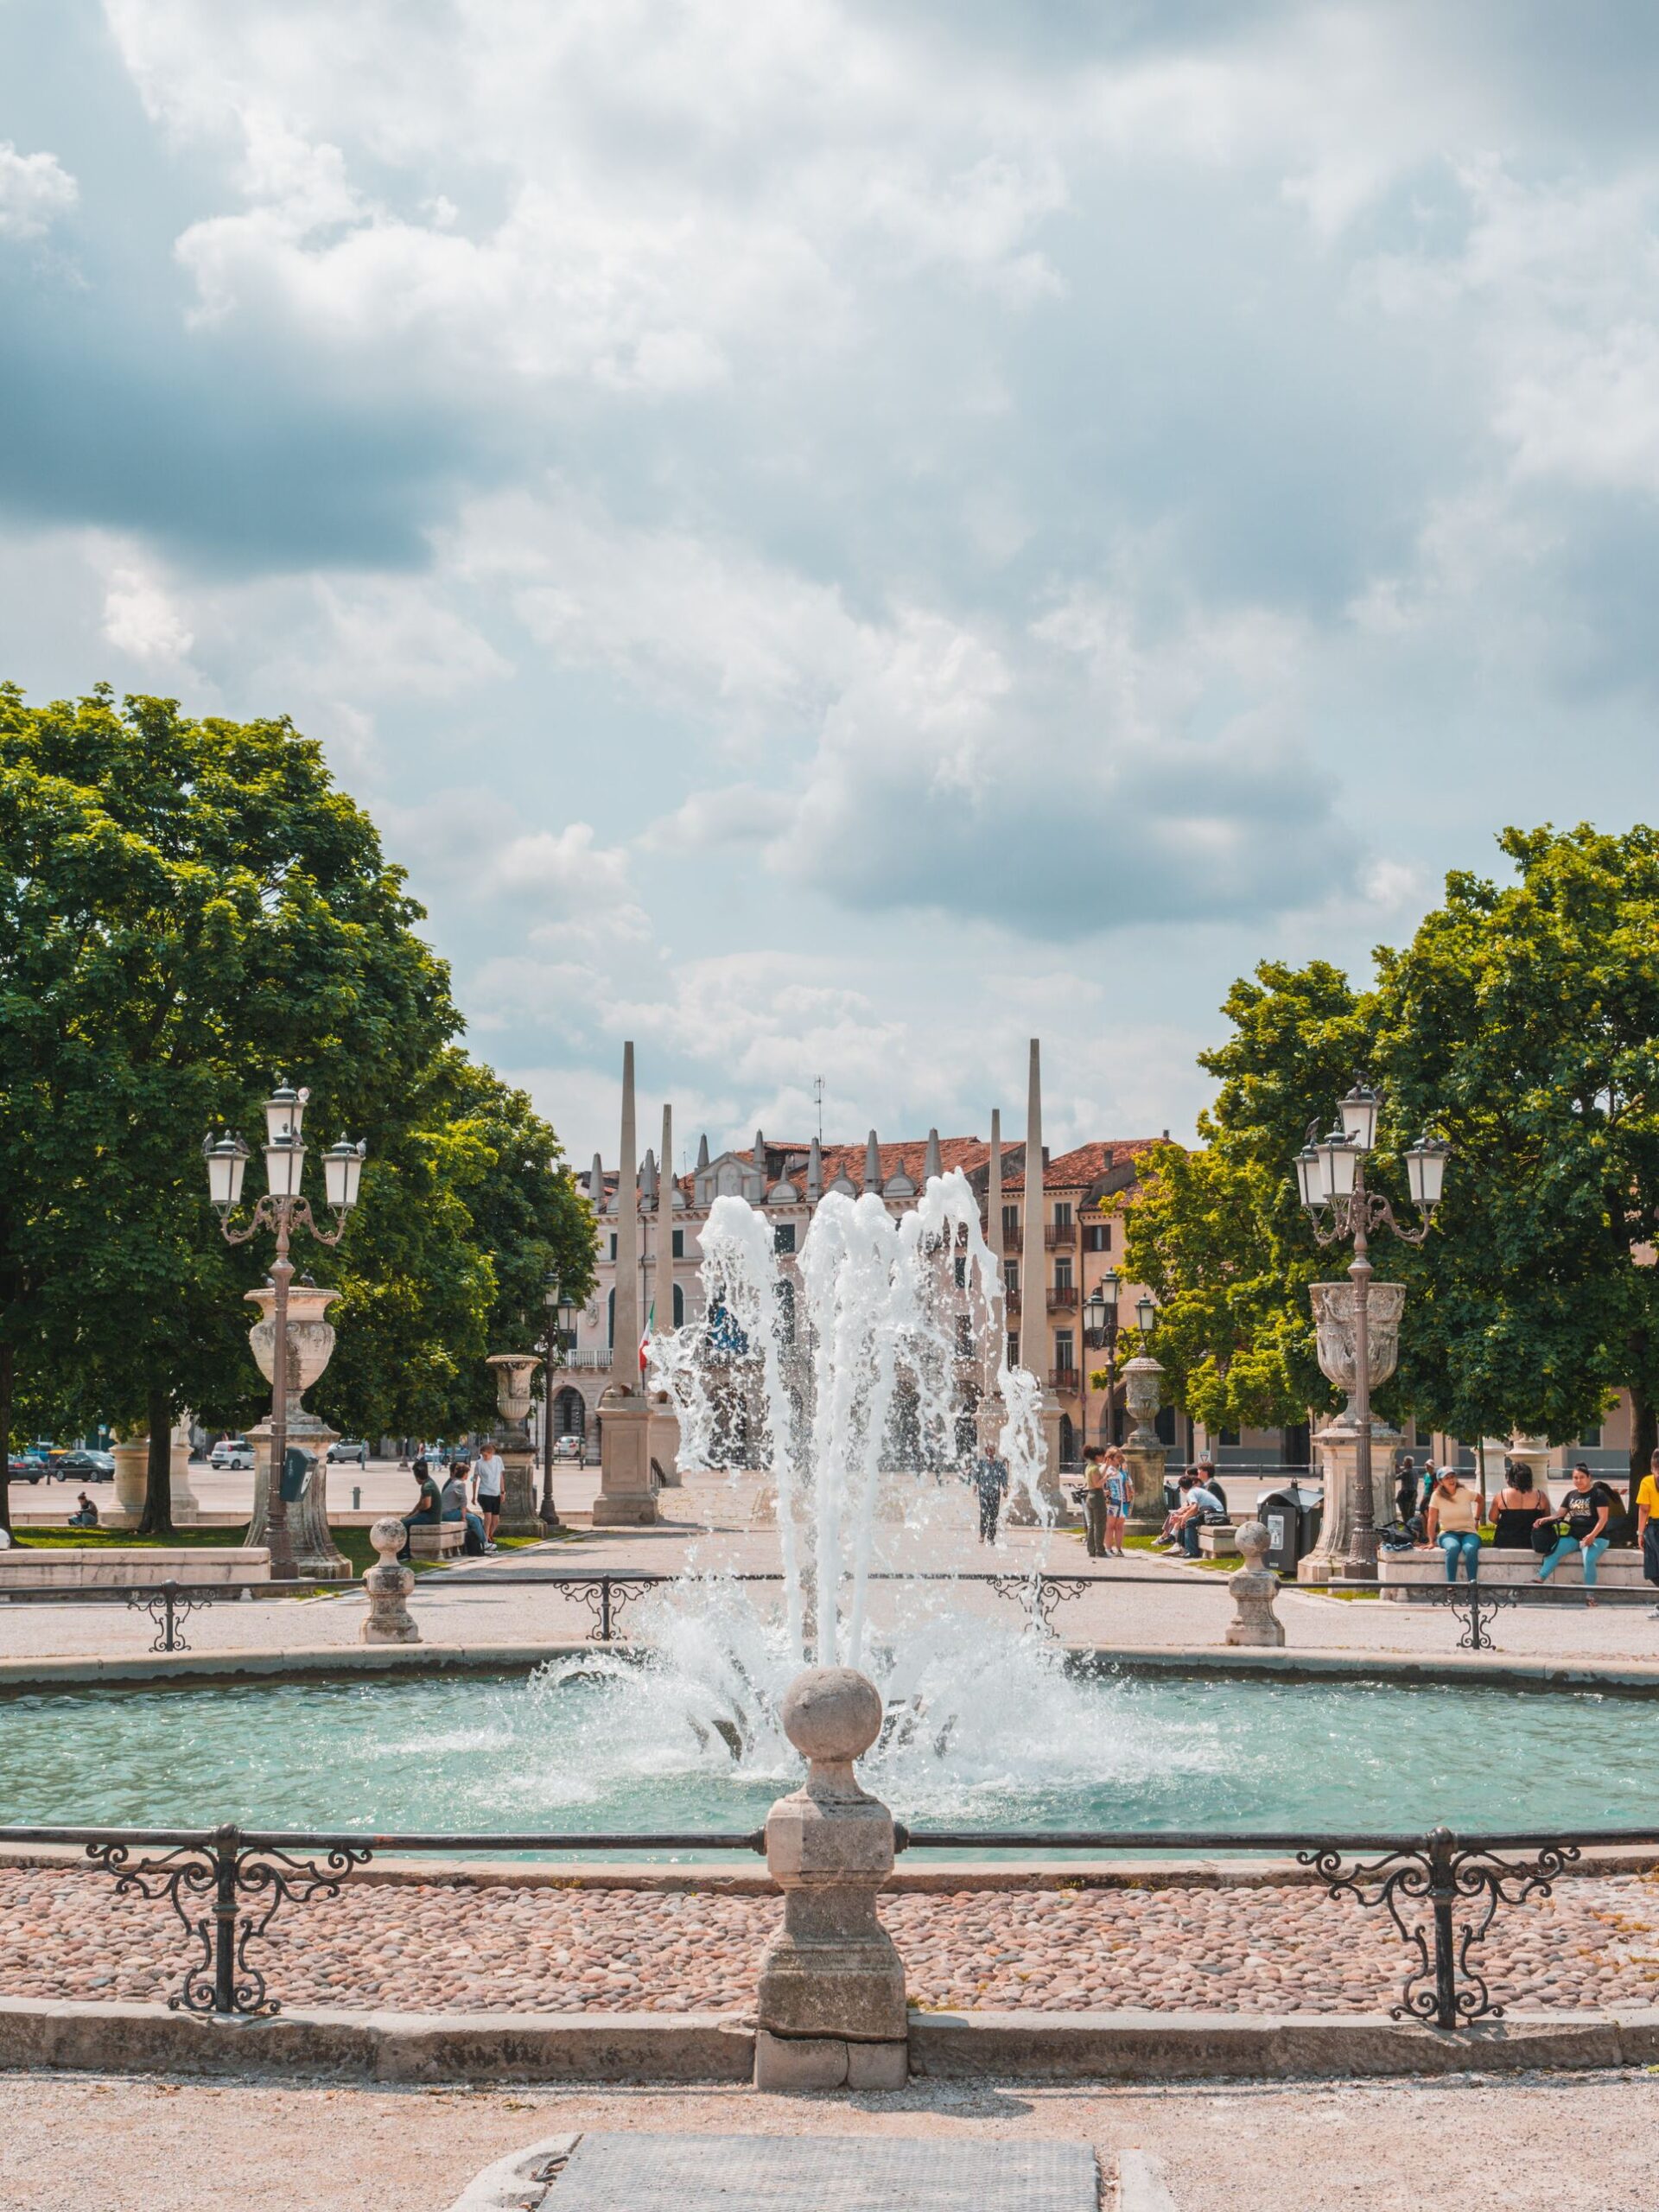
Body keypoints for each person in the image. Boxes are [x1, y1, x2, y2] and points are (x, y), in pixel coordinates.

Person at [1538, 1462, 1618, 1601]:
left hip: (1597, 1537)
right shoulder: (1571, 1495)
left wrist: (1592, 1536)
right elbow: (1560, 1515)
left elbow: (1603, 1518)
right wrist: (1544, 1519)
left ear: (1589, 1478)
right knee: (1553, 1550)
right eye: (1575, 1478)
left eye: (1581, 1477)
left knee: (1588, 1559)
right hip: (1574, 1537)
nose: (1578, 1480)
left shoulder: (1598, 1494)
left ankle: (1590, 1595)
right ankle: (1539, 1579)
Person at [1423, 1467, 1482, 1582]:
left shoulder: (1465, 1492)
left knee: (1470, 1549)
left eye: (1452, 1476)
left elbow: (1481, 1500)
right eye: (1447, 1478)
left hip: (1469, 1532)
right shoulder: (1436, 1496)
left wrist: (1477, 1519)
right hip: (1448, 1533)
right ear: (1441, 1482)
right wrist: (1431, 1541)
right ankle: (1451, 1587)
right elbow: (1432, 1519)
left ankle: (1473, 1586)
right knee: (1453, 1547)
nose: (1451, 1480)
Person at [1490, 1463, 1554, 1552]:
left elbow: (1492, 1518)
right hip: (1532, 1541)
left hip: (1505, 1540)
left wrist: (1507, 1524)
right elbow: (1546, 1518)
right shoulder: (1540, 1495)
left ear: (1511, 1477)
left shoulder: (1501, 1495)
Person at [1176, 1470, 1229, 1558]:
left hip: (1214, 1515)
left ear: (1182, 1488)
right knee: (1187, 1520)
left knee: (1189, 1522)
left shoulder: (1191, 1493)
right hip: (1215, 1512)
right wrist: (1182, 1516)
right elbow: (1194, 1508)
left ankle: (1191, 1551)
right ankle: (1184, 1547)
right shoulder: (1196, 1490)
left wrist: (1184, 1518)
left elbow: (1195, 1507)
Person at [400, 1457, 443, 1560]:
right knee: (404, 1521)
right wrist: (411, 1514)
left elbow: (426, 1505)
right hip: (430, 1516)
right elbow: (420, 1503)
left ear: (417, 1476)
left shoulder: (427, 1486)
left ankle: (405, 1553)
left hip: (430, 1517)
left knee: (404, 1525)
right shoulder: (429, 1482)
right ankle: (402, 1551)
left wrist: (416, 1513)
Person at [971, 1445, 1009, 1545]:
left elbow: (1003, 1477)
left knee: (993, 1515)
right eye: (988, 1450)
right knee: (984, 1513)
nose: (990, 1452)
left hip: (995, 1493)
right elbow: (976, 1474)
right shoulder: (982, 1463)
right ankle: (982, 1533)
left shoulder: (999, 1464)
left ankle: (991, 1537)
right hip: (983, 1493)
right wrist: (974, 1485)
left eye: (992, 1450)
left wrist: (1005, 1488)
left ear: (994, 1451)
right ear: (986, 1451)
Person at [1637, 1447, 1659, 1621]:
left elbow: (1644, 1509)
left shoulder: (1647, 1482)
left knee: (1653, 1570)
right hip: (1653, 1528)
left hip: (1653, 1528)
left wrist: (1640, 1533)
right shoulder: (1647, 1482)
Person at [474, 1440, 505, 1552]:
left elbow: (501, 1476)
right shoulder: (479, 1463)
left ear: (491, 1453)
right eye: (482, 1455)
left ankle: (489, 1536)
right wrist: (474, 1495)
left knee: (496, 1520)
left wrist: (503, 1492)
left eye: (486, 1455)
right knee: (488, 1518)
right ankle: (485, 1542)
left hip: (495, 1493)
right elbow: (475, 1478)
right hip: (484, 1492)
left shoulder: (498, 1460)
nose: (484, 1457)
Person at [1103, 1447, 1132, 1559]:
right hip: (1112, 1501)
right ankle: (1108, 1548)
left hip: (1124, 1501)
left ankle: (1119, 1549)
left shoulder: (1122, 1470)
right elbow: (1099, 1482)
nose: (1120, 1459)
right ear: (1111, 1458)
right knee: (1110, 1525)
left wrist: (1130, 1492)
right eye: (1117, 1457)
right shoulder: (1106, 1469)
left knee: (1120, 1526)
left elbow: (1128, 1482)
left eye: (1121, 1457)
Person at [1082, 1446, 1108, 1559]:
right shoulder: (1095, 1468)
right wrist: (1107, 1477)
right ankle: (1100, 1550)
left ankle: (1091, 1549)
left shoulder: (1088, 1467)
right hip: (1097, 1496)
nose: (1103, 1458)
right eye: (1102, 1456)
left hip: (1090, 1495)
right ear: (1097, 1456)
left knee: (1091, 1525)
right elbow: (1097, 1484)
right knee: (1100, 1525)